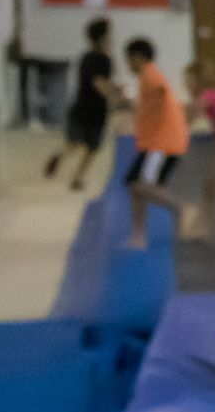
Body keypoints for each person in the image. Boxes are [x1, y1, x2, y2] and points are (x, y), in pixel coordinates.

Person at [120, 38, 192, 250]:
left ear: (138, 58)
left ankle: (181, 208)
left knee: (142, 186)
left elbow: (161, 91)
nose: (128, 65)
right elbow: (148, 105)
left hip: (162, 143)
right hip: (155, 142)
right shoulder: (147, 77)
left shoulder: (150, 76)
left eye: (129, 60)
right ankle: (139, 235)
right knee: (135, 186)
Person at [43, 18, 114, 191]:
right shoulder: (102, 59)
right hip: (94, 110)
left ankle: (60, 156)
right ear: (102, 37)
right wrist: (116, 96)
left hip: (80, 107)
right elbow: (99, 84)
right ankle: (77, 177)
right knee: (92, 146)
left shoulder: (86, 57)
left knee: (75, 143)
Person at [179, 61, 215, 238]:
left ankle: (203, 226)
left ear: (197, 80)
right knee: (210, 187)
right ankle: (204, 226)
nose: (185, 84)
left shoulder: (207, 96)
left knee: (211, 187)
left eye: (188, 80)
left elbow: (186, 120)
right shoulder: (213, 94)